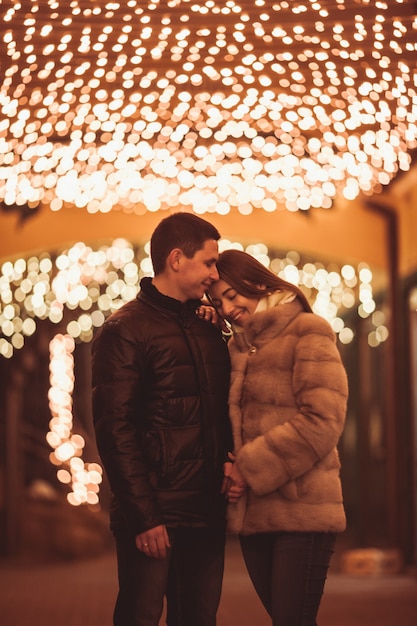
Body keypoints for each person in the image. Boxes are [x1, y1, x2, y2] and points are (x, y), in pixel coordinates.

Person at [91, 213, 232, 626]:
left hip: (205, 511)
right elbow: (114, 429)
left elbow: (229, 407)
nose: (215, 273)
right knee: (140, 616)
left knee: (199, 618)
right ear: (176, 259)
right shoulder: (125, 330)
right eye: (209, 262)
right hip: (155, 515)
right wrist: (144, 517)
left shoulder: (210, 327)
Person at [207, 248, 348, 626]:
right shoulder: (238, 346)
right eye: (217, 301)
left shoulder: (308, 330)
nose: (227, 307)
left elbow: (323, 419)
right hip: (255, 514)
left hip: (304, 512)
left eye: (231, 295)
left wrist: (248, 468)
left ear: (255, 282)